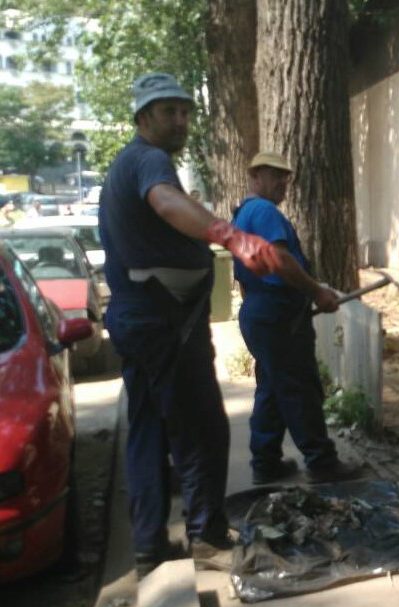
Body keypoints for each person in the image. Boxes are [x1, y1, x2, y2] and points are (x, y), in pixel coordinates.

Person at [99, 72, 282, 577]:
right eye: (168, 112)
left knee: (147, 432)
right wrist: (230, 235)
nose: (180, 120)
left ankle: (148, 545)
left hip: (139, 320)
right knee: (201, 428)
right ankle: (206, 536)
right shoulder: (148, 160)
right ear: (143, 118)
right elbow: (165, 200)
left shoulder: (126, 165)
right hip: (164, 323)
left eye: (184, 111)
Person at [232, 152, 362, 485]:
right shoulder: (263, 211)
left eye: (286, 177)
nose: (282, 183)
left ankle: (265, 461)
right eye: (275, 176)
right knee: (299, 387)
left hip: (262, 311)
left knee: (273, 388)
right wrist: (316, 292)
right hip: (277, 313)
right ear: (256, 176)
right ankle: (321, 462)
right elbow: (277, 258)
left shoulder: (244, 213)